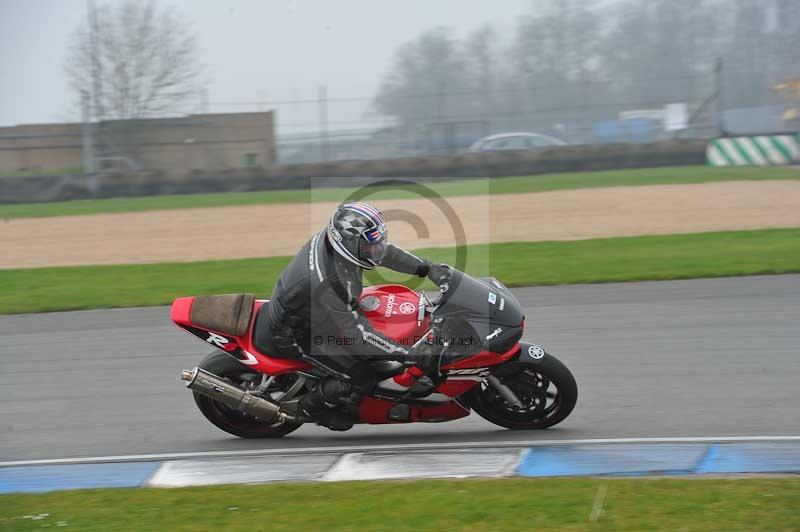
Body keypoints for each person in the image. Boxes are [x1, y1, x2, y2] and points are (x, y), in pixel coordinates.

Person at [253, 201, 450, 430]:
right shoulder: (332, 282)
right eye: (368, 246)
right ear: (348, 244)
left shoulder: (339, 243)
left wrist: (426, 268)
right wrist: (408, 354)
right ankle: (310, 408)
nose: (374, 249)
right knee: (364, 375)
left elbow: (384, 253)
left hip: (316, 309)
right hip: (300, 333)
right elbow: (358, 337)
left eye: (374, 243)